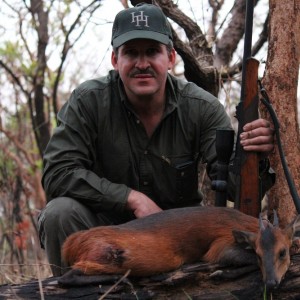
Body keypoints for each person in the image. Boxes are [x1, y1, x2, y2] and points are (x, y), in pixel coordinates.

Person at [38, 3, 275, 276]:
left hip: (178, 240)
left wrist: (256, 155)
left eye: (152, 51)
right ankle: (71, 290)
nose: (142, 64)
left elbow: (236, 188)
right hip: (107, 232)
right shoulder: (88, 101)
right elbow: (58, 172)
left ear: (171, 57)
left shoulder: (202, 107)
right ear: (116, 60)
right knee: (59, 213)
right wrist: (131, 198)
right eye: (131, 53)